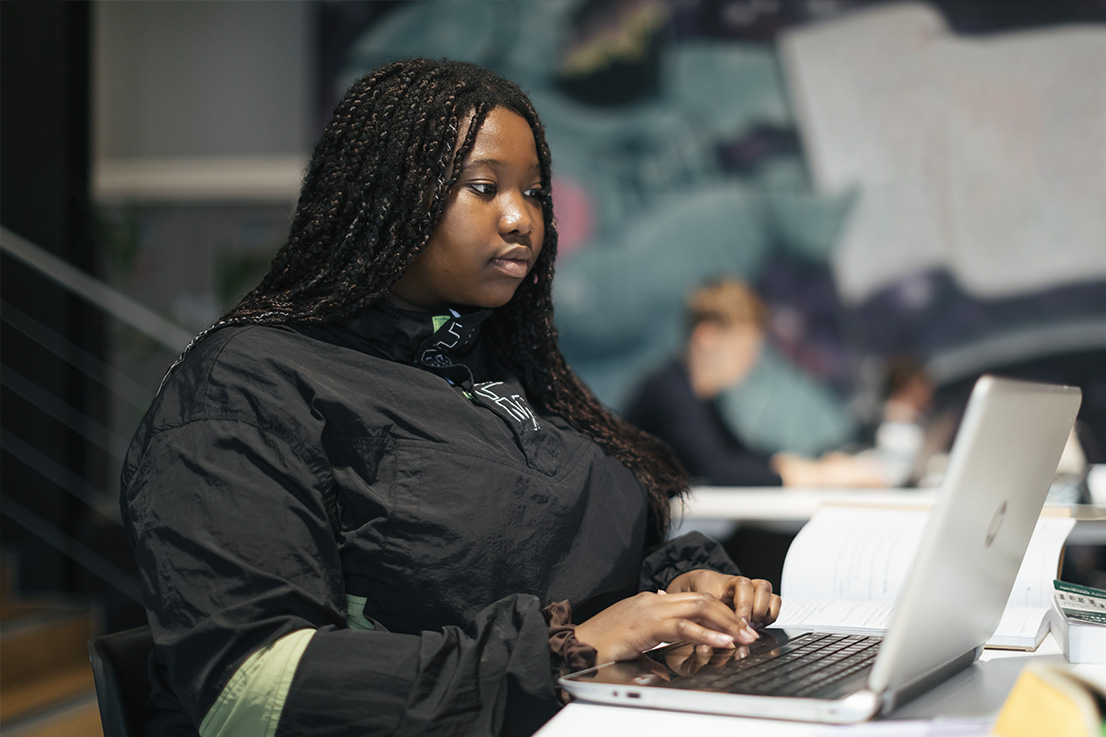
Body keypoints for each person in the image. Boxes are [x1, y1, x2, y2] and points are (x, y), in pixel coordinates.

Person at [121, 59, 780, 737]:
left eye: (535, 193)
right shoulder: (248, 382)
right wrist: (564, 651)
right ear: (385, 196)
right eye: (485, 187)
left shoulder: (501, 366)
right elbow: (251, 687)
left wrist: (677, 585)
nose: (522, 218)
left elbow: (565, 554)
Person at [624, 279, 886, 488]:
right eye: (743, 349)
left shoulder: (697, 395)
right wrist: (816, 476)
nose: (750, 362)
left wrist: (808, 465)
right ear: (707, 337)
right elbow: (716, 468)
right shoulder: (669, 393)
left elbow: (738, 453)